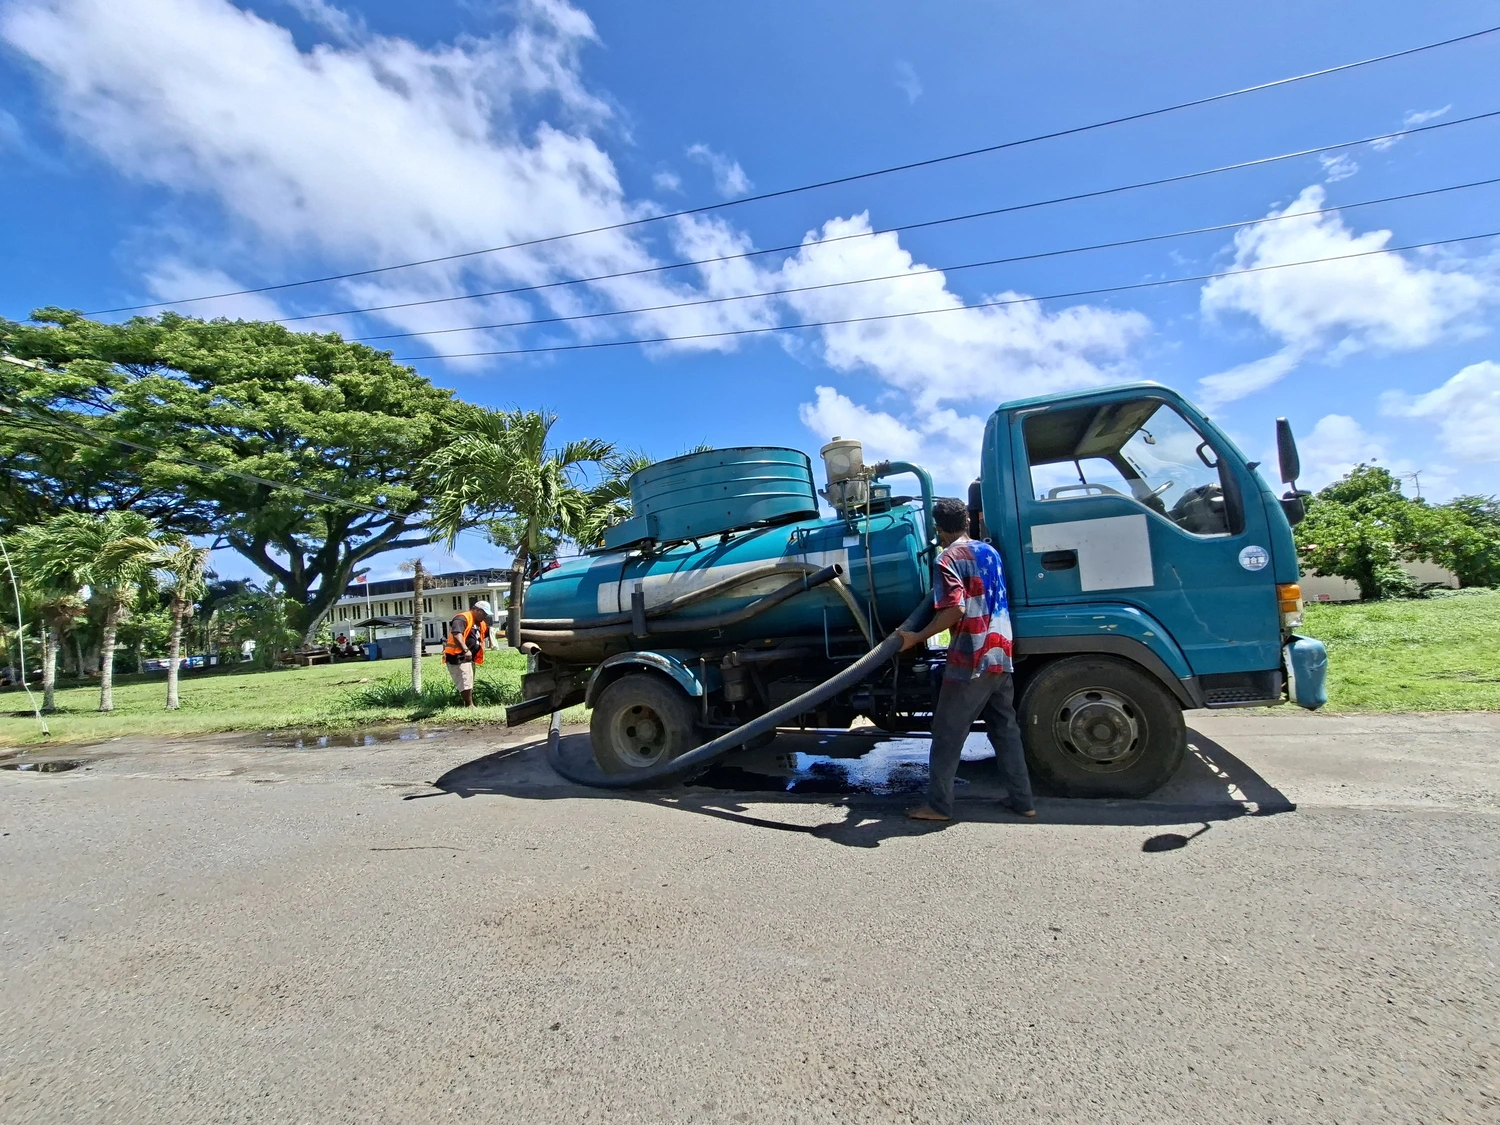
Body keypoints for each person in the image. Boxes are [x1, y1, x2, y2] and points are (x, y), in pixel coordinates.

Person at [897, 496, 1035, 823]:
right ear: (967, 522)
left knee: (947, 733)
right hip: (1000, 651)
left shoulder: (947, 558)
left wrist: (916, 637)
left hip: (971, 657)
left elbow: (955, 608)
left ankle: (938, 806)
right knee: (1005, 729)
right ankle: (1023, 801)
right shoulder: (990, 552)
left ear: (938, 529)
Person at [443, 599, 495, 708]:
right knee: (465, 680)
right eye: (484, 613)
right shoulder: (462, 618)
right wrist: (466, 650)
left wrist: (507, 633)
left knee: (468, 681)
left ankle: (469, 704)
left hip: (469, 657)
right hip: (458, 656)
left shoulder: (480, 623)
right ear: (477, 610)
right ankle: (469, 705)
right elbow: (457, 634)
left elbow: (490, 633)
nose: (485, 616)